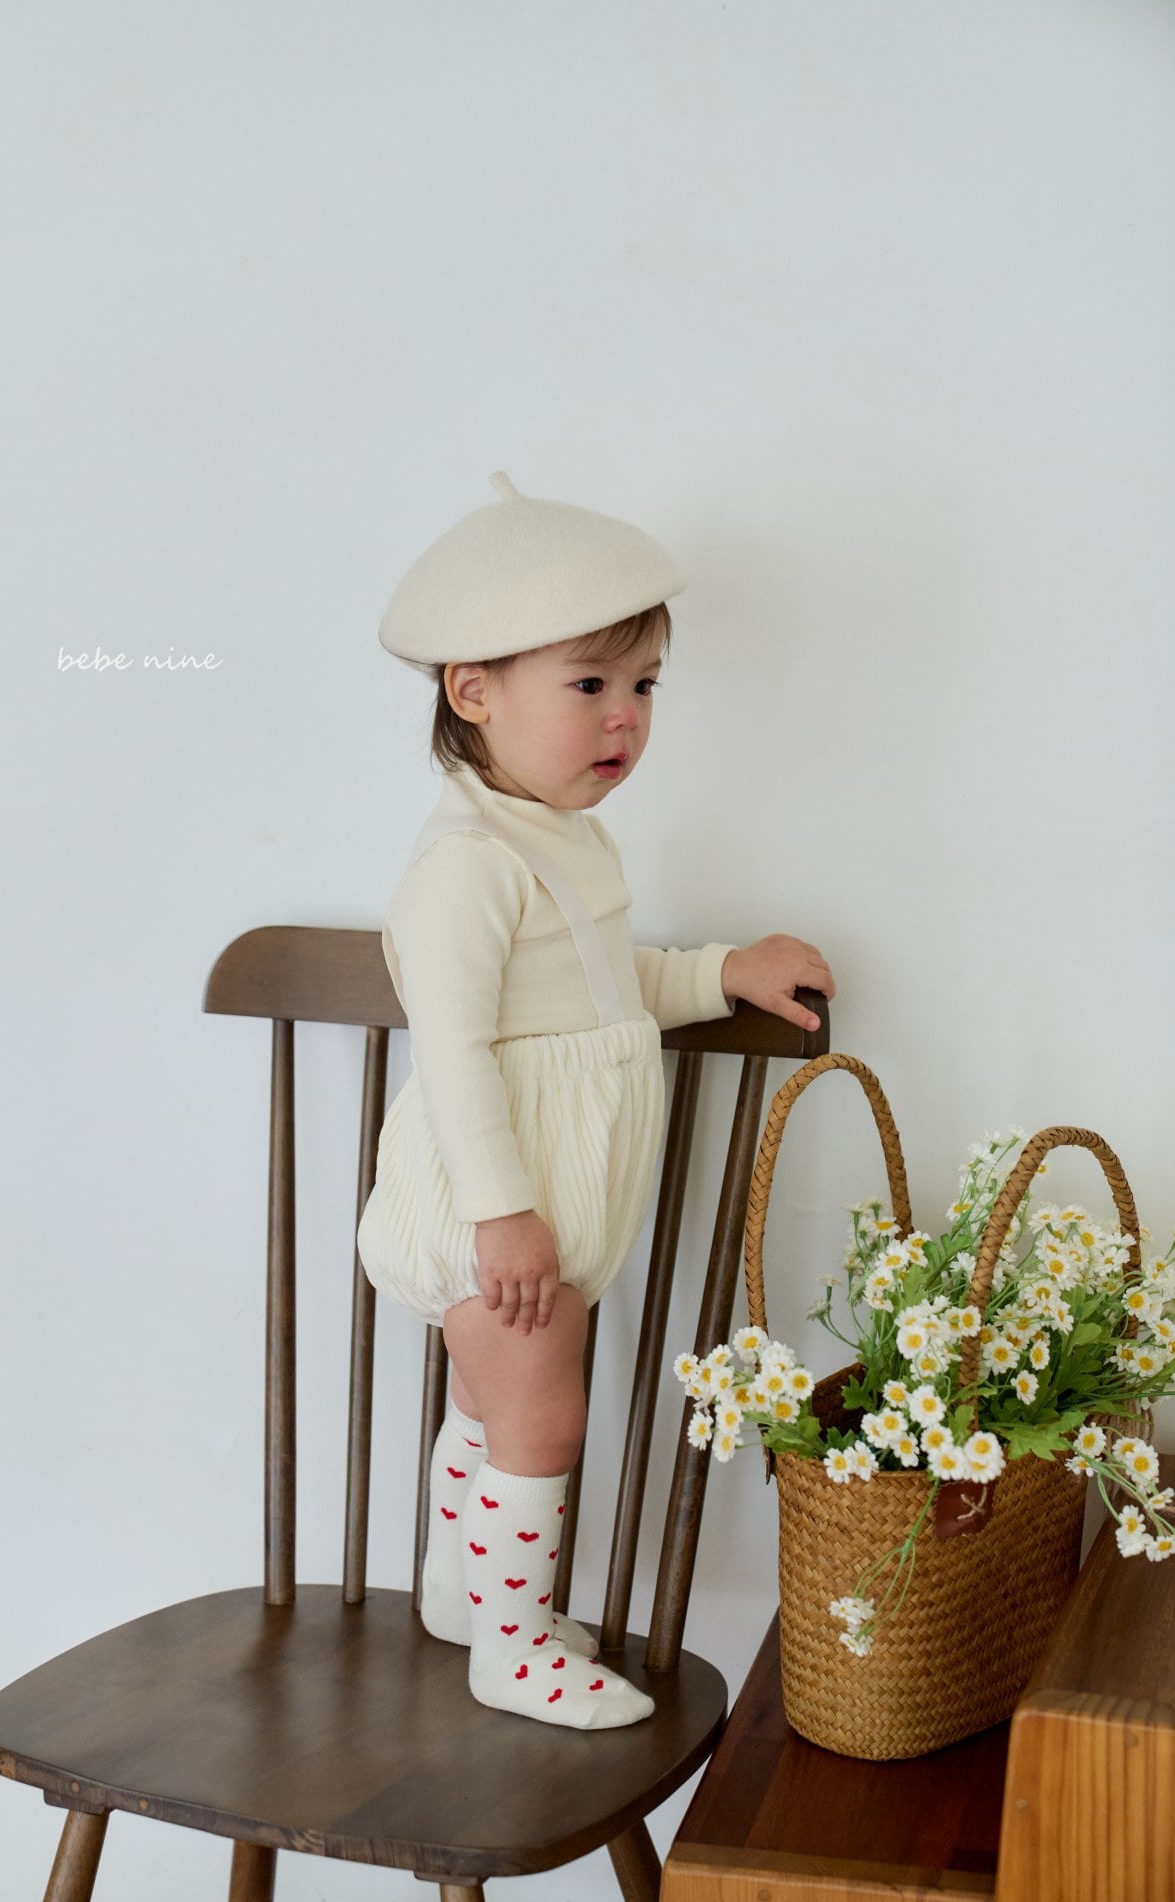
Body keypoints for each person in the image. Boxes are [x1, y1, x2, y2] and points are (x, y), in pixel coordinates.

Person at [357, 472, 834, 1730]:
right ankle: (512, 1643)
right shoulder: (466, 868)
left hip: (540, 1211)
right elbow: (452, 1054)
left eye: (645, 685)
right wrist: (501, 1214)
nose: (624, 716)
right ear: (473, 692)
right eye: (587, 685)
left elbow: (602, 987)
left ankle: (463, 1593)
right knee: (541, 1420)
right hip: (498, 1209)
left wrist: (718, 974)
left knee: (491, 1403)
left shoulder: (558, 836)